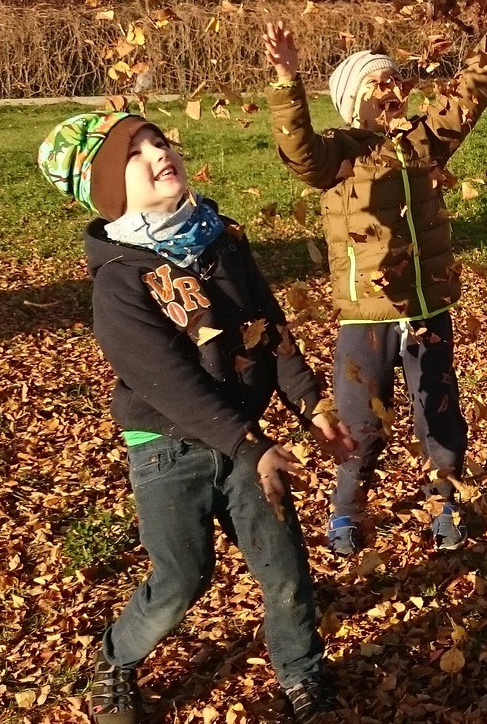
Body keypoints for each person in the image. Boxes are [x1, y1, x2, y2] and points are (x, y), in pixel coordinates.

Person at [37, 111, 354, 724]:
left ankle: (302, 675)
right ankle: (117, 658)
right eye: (137, 151)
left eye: (160, 140)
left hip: (245, 441)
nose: (160, 152)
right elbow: (170, 385)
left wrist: (310, 401)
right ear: (108, 188)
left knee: (285, 568)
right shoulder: (119, 281)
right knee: (182, 579)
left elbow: (269, 327)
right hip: (167, 449)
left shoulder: (223, 242)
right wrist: (247, 441)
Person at [262, 6, 487, 553]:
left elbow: (469, 96)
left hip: (427, 310)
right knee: (359, 423)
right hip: (367, 316)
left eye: (396, 79)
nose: (392, 89)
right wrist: (287, 82)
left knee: (440, 413)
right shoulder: (338, 155)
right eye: (377, 82)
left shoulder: (421, 144)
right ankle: (347, 508)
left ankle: (447, 500)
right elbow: (299, 151)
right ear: (354, 99)